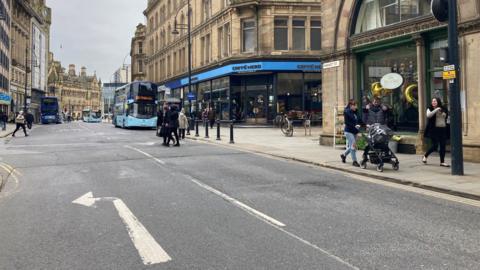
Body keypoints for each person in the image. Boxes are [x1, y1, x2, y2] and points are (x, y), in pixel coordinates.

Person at [423, 97, 450, 167]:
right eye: (432, 101)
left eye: (435, 101)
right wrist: (436, 109)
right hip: (434, 130)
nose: (433, 102)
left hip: (442, 129)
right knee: (435, 146)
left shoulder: (443, 108)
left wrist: (442, 112)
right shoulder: (429, 109)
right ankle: (425, 156)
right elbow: (428, 115)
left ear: (438, 102)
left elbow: (446, 116)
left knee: (443, 146)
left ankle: (442, 162)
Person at [362, 97, 389, 162]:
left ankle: (386, 154)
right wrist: (366, 125)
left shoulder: (381, 108)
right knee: (371, 142)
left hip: (380, 128)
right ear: (372, 102)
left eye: (377, 101)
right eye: (375, 101)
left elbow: (387, 112)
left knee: (383, 141)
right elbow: (364, 115)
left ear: (379, 102)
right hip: (371, 127)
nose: (376, 103)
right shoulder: (368, 108)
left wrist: (386, 108)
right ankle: (365, 154)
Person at [341, 100, 361, 167]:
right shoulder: (346, 112)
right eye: (355, 105)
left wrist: (365, 124)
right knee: (353, 146)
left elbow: (359, 120)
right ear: (351, 105)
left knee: (352, 146)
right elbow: (347, 123)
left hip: (355, 131)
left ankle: (343, 155)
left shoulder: (355, 111)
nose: (356, 107)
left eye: (356, 105)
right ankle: (354, 161)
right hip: (349, 131)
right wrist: (355, 126)